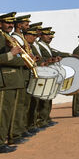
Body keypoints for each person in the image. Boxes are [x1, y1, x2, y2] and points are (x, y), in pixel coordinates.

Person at [0, 12, 28, 153]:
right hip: (4, 80)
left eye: (12, 23)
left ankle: (5, 139)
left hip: (12, 80)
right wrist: (12, 53)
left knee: (8, 113)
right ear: (0, 23)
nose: (10, 25)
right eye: (7, 22)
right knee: (2, 113)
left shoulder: (6, 37)